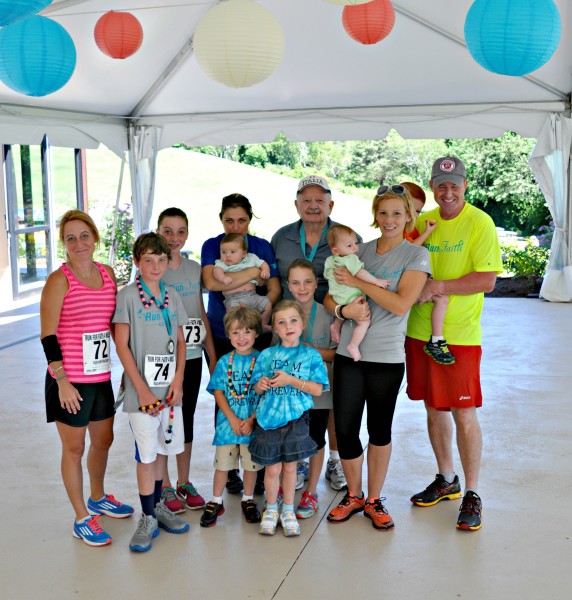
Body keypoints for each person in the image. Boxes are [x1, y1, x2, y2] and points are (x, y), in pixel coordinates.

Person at [324, 185, 430, 530]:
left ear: (408, 216)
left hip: (386, 356)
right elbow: (329, 297)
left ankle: (374, 499)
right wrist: (342, 307)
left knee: (379, 430)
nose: (389, 220)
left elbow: (401, 304)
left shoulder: (416, 256)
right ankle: (354, 496)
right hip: (349, 355)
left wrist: (360, 282)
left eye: (397, 213)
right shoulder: (357, 250)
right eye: (383, 213)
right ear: (375, 215)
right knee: (346, 428)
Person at [406, 156, 503, 531]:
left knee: (464, 412)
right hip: (417, 330)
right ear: (432, 186)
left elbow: (487, 280)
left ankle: (473, 493)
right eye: (441, 185)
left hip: (458, 337)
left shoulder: (479, 222)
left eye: (455, 185)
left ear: (465, 186)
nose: (448, 192)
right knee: (433, 406)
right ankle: (447, 478)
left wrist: (438, 287)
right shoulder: (424, 221)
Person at [40, 210, 134, 547]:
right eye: (70, 238)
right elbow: (48, 336)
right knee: (74, 447)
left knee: (104, 440)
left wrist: (126, 365)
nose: (79, 243)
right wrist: (62, 381)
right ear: (63, 244)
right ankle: (82, 516)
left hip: (100, 376)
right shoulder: (59, 280)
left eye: (84, 235)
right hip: (69, 380)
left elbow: (111, 326)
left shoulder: (107, 274)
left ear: (94, 237)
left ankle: (97, 497)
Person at [271, 175, 354, 488]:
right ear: (297, 205)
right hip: (290, 328)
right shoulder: (281, 237)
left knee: (330, 397)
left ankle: (334, 461)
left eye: (320, 199)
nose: (313, 205)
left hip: (331, 324)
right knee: (293, 395)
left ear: (331, 204)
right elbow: (274, 282)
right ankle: (299, 461)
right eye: (306, 200)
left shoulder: (345, 236)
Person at [113, 232, 190, 552]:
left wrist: (178, 380)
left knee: (161, 449)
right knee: (145, 455)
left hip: (169, 391)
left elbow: (183, 341)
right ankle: (146, 516)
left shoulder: (173, 296)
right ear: (137, 262)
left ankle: (158, 506)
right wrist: (142, 391)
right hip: (141, 393)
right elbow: (121, 345)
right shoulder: (128, 297)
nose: (156, 266)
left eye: (161, 260)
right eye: (148, 260)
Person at [201, 193, 280, 495]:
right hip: (223, 334)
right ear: (221, 219)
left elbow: (272, 285)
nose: (236, 224)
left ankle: (254, 463)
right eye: (229, 220)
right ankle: (228, 465)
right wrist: (249, 274)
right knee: (226, 396)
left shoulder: (261, 246)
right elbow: (211, 283)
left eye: (242, 220)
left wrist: (260, 311)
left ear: (250, 218)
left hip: (256, 331)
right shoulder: (213, 245)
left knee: (257, 394)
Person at [250, 300, 329, 536]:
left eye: (293, 320)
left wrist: (290, 380)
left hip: (296, 420)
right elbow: (255, 387)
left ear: (302, 324)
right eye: (281, 322)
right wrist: (261, 385)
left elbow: (317, 389)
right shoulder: (267, 355)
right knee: (272, 470)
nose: (288, 326)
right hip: (268, 421)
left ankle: (288, 510)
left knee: (290, 470)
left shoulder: (311, 355)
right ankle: (271, 509)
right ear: (275, 328)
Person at [156, 207, 216, 514]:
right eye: (168, 231)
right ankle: (164, 485)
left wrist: (211, 355)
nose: (174, 237)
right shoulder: (154, 269)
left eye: (181, 231)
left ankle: (184, 481)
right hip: (163, 359)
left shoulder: (194, 269)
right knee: (166, 419)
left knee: (186, 418)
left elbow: (200, 312)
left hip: (192, 356)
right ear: (158, 233)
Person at [200, 307, 264, 527]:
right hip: (228, 426)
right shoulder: (223, 361)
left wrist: (251, 420)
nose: (241, 337)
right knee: (222, 465)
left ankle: (248, 499)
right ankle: (216, 500)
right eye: (235, 332)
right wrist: (232, 419)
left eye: (247, 332)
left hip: (251, 426)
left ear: (256, 333)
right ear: (228, 334)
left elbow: (267, 396)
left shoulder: (262, 361)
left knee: (250, 466)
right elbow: (218, 391)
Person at [286, 260, 337, 520]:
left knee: (316, 441)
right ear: (288, 285)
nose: (302, 287)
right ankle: (291, 480)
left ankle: (312, 490)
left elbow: (338, 355)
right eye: (295, 282)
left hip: (319, 393)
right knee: (293, 438)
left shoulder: (329, 314)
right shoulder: (282, 313)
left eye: (307, 281)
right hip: (291, 395)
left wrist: (310, 352)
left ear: (317, 283)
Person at [401, 181, 454, 365]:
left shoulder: (410, 229)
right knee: (442, 299)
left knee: (442, 298)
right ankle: (436, 340)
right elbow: (407, 251)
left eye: (417, 212)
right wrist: (428, 232)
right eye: (410, 210)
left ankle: (436, 339)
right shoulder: (398, 230)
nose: (413, 216)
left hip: (414, 276)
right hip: (402, 281)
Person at [324, 224, 390, 361]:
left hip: (337, 296)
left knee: (345, 310)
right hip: (350, 296)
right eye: (349, 246)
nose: (355, 248)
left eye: (355, 243)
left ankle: (336, 324)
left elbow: (327, 275)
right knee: (364, 322)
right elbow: (360, 273)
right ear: (336, 249)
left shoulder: (330, 260)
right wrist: (377, 281)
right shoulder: (351, 259)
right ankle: (353, 345)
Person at [213, 233, 272, 331]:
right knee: (234, 316)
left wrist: (265, 270)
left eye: (232, 252)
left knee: (267, 303)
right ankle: (237, 331)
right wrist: (223, 278)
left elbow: (263, 263)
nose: (227, 255)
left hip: (252, 295)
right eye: (223, 252)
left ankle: (263, 324)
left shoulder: (251, 258)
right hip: (233, 298)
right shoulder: (222, 263)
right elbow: (216, 271)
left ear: (244, 253)